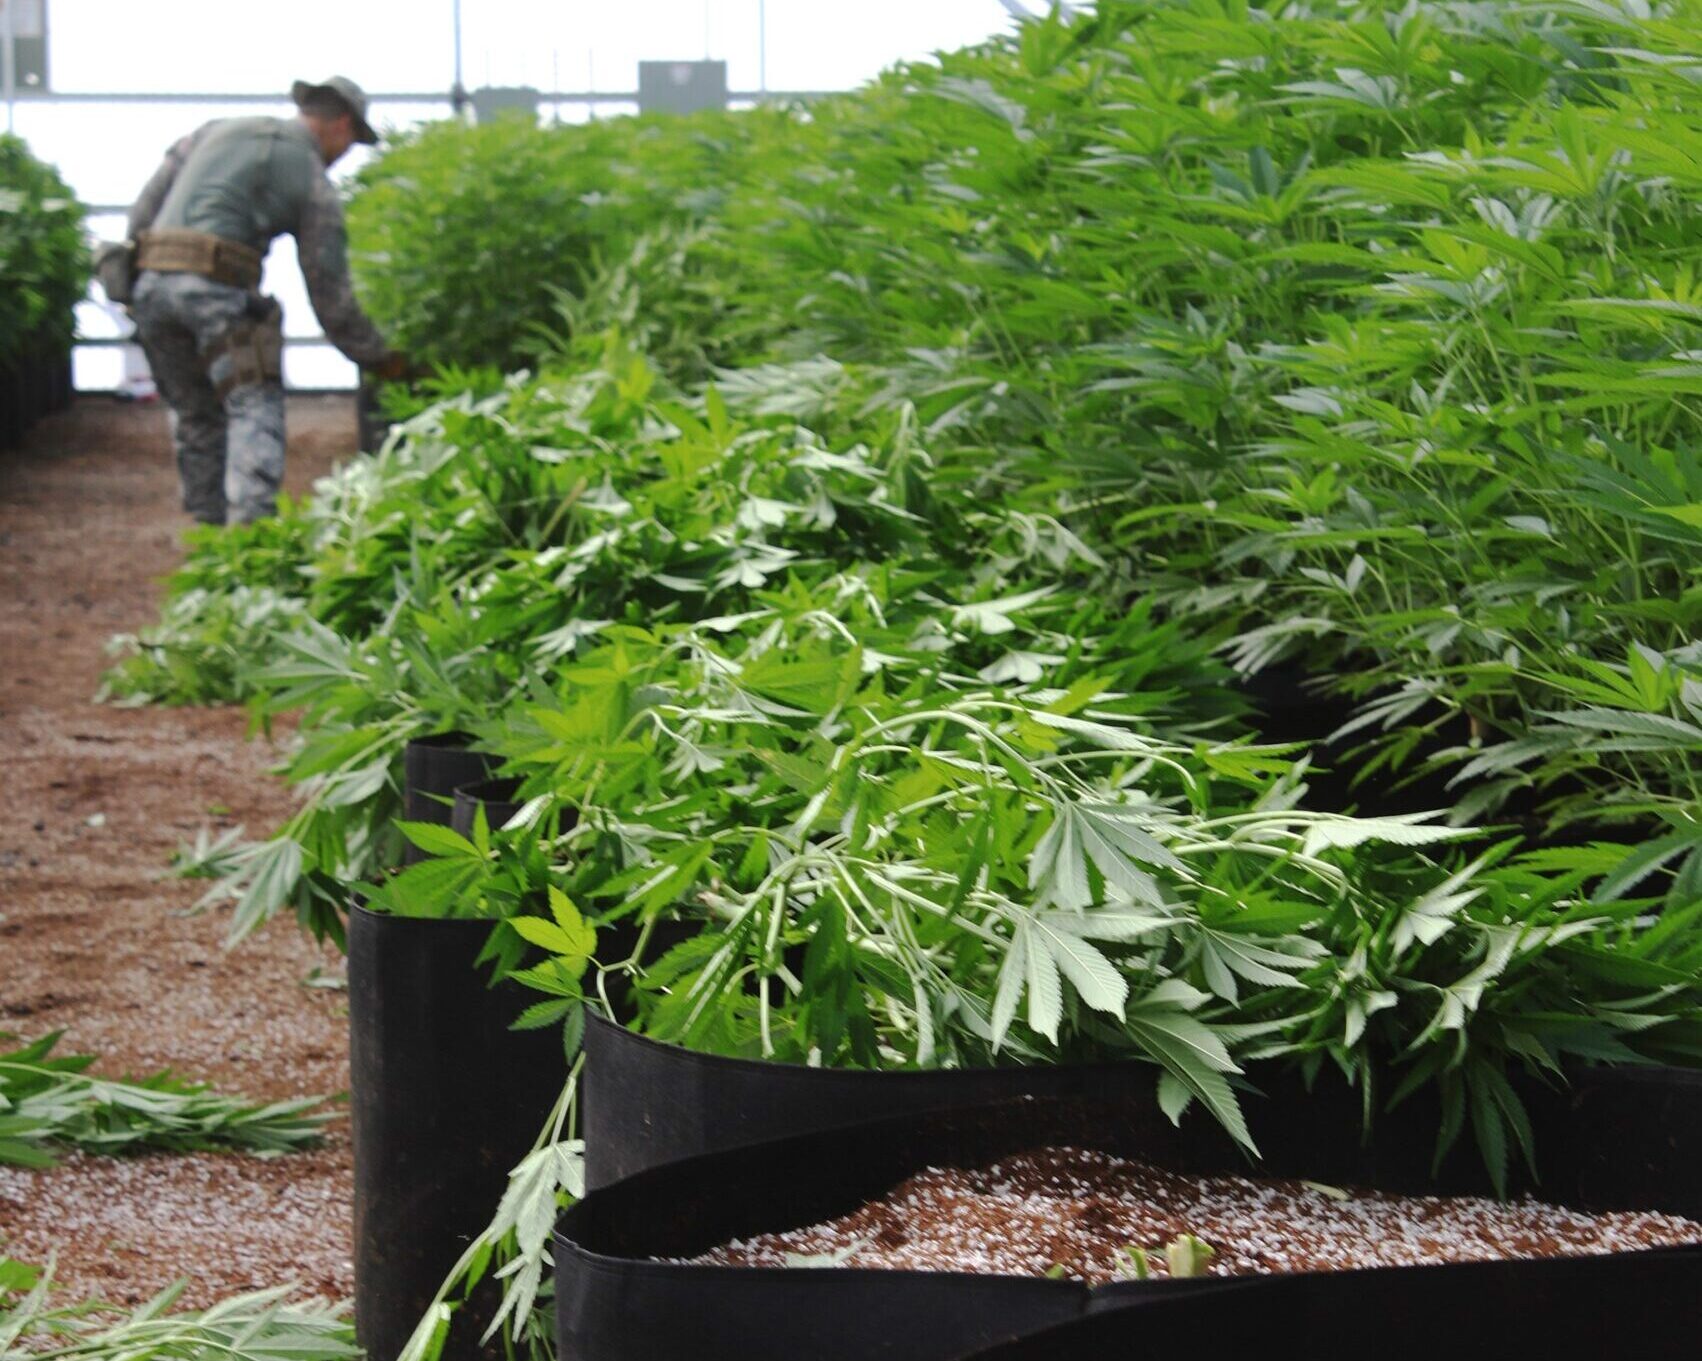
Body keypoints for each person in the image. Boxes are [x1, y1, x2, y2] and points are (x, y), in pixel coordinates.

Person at [126, 77, 405, 526]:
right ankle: (249, 540)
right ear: (341, 124)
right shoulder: (311, 177)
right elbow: (329, 293)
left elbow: (142, 213)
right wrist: (381, 359)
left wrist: (135, 286)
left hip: (152, 291)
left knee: (196, 414)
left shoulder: (213, 131)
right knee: (252, 403)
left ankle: (207, 542)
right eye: (352, 143)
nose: (345, 155)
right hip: (216, 292)